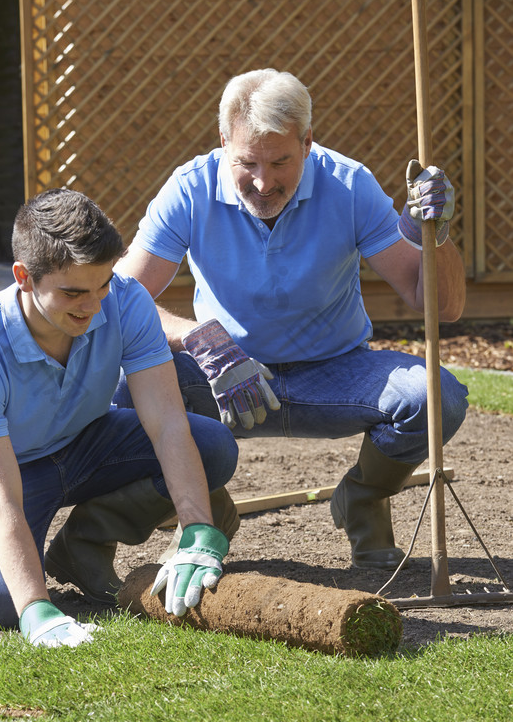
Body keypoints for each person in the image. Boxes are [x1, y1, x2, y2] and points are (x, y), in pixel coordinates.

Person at [113, 68, 469, 570]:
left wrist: (436, 234)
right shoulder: (190, 189)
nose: (263, 181)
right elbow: (122, 298)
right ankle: (208, 514)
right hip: (222, 376)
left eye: (280, 161)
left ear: (307, 141)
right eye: (247, 162)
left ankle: (363, 500)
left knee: (436, 397)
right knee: (125, 395)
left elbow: (439, 305)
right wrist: (199, 339)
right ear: (222, 142)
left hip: (334, 372)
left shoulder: (349, 184)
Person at [0, 188, 240, 649]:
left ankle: (81, 543)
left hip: (87, 442)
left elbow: (166, 422)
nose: (94, 305)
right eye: (74, 292)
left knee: (212, 446)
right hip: (5, 469)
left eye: (102, 285)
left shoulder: (125, 299)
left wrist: (198, 527)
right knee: (0, 605)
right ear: (24, 277)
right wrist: (37, 610)